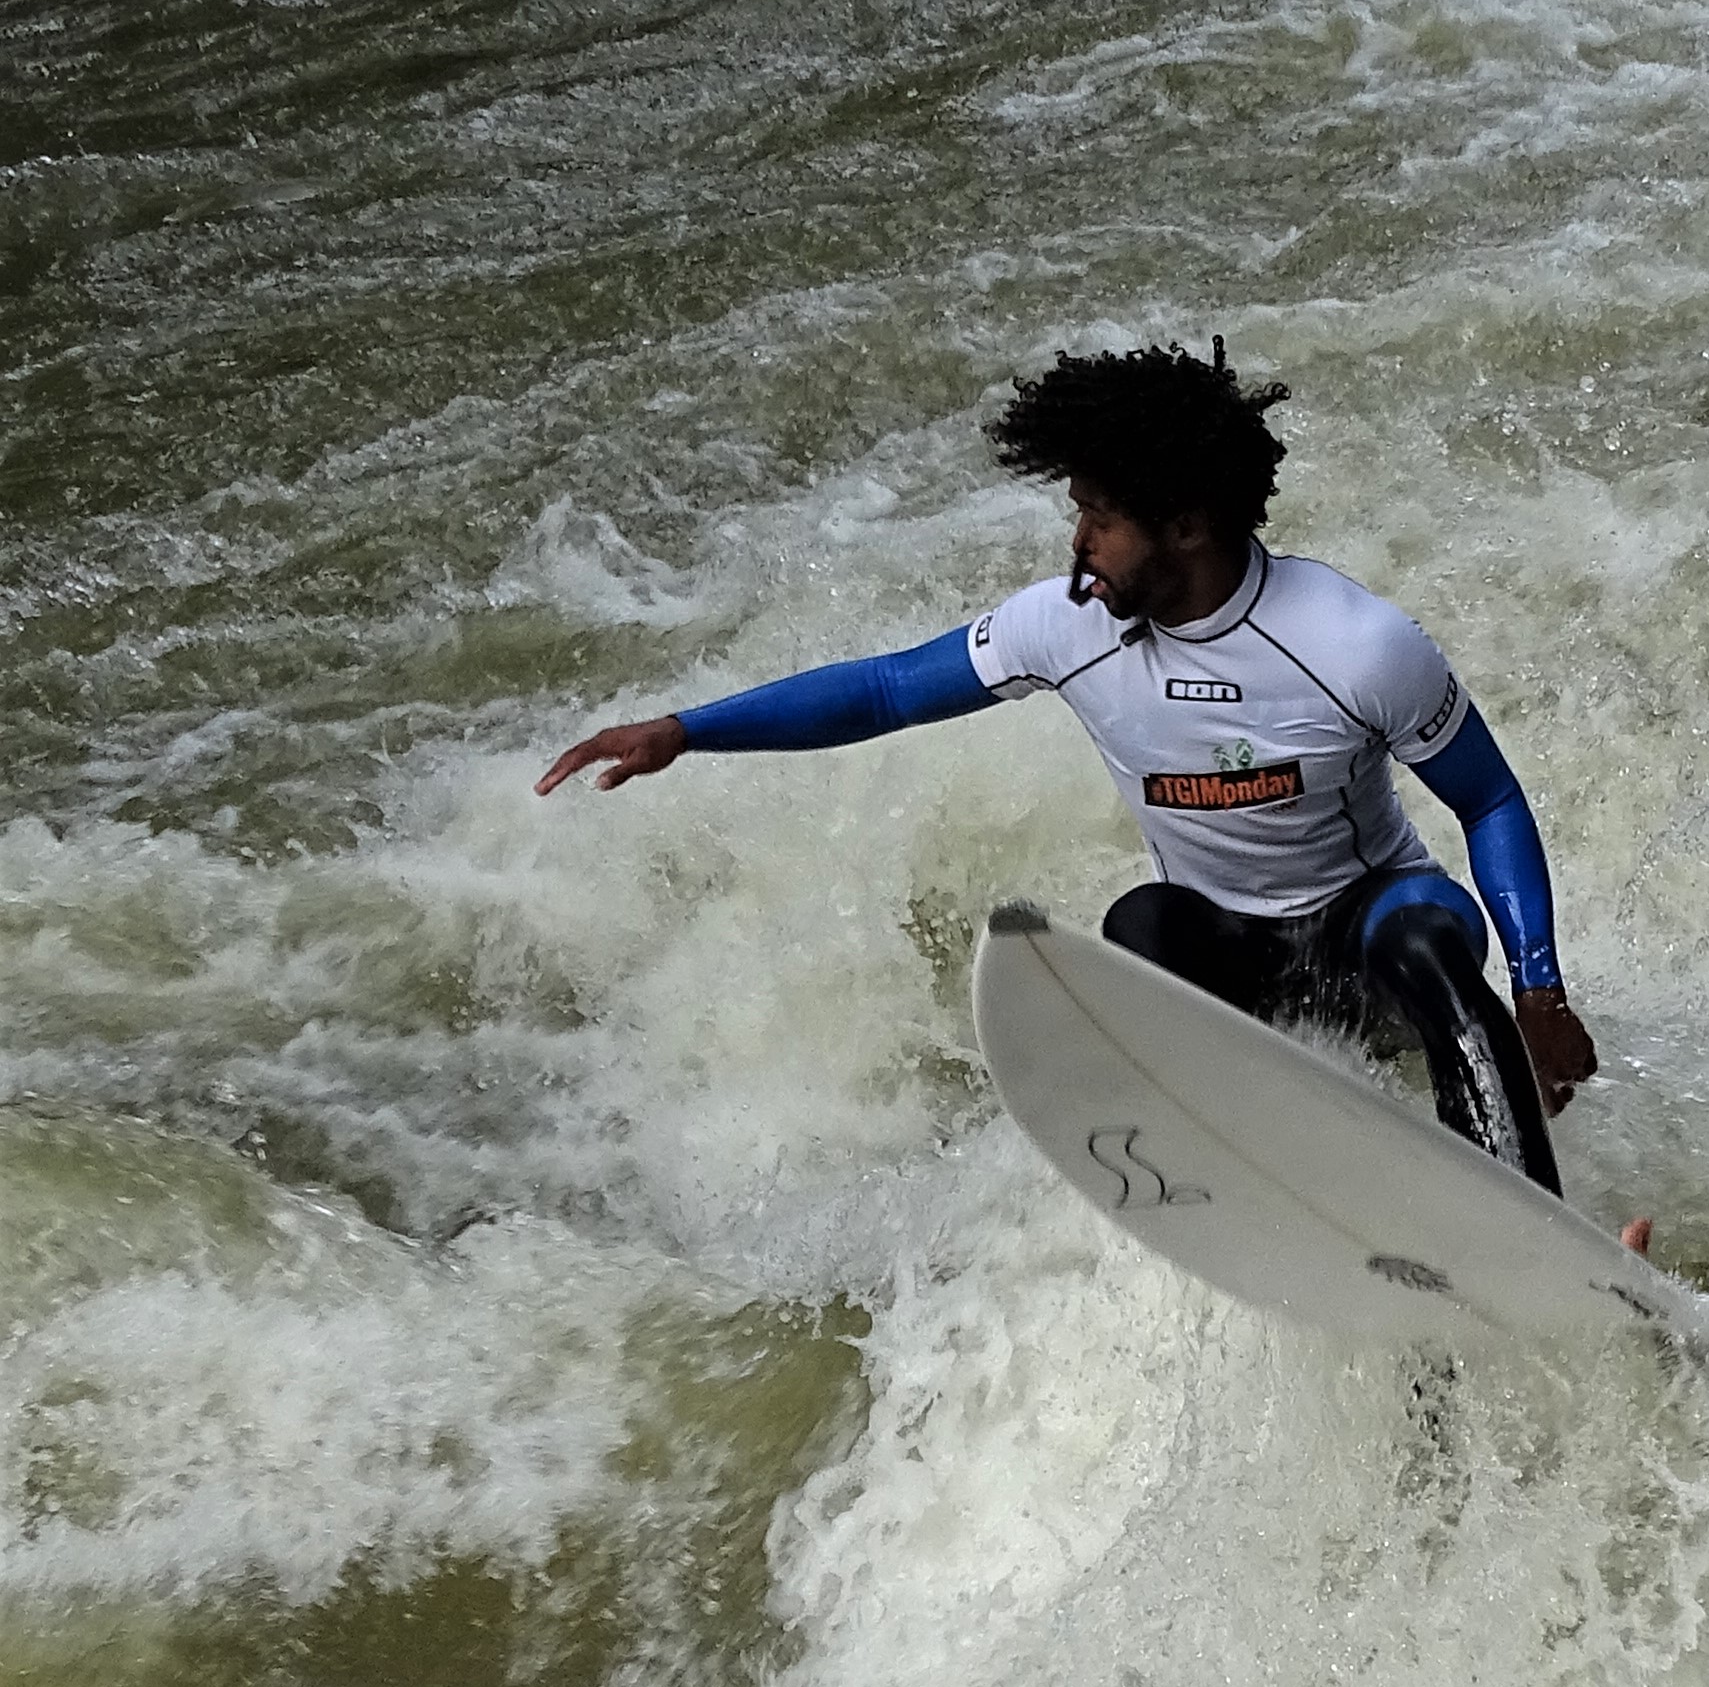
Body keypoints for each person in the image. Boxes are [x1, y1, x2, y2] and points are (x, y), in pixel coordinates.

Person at [541, 342, 1635, 1233]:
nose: (1079, 544)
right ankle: (1241, 1202)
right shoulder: (1064, 627)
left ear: (1189, 525)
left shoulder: (1354, 644)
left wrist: (1539, 995)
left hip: (1368, 932)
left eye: (1101, 517)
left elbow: (1487, 799)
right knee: (1139, 923)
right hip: (1229, 960)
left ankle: (1536, 1233)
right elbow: (883, 692)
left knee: (1423, 940)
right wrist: (688, 729)